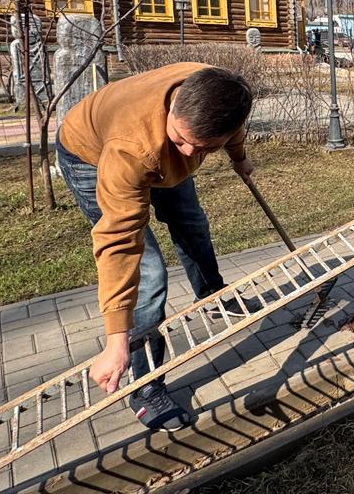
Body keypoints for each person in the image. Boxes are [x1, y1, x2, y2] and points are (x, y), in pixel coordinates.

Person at [55, 63, 254, 432]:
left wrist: (239, 157)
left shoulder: (218, 93)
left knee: (192, 225)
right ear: (173, 108)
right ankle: (144, 385)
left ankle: (213, 297)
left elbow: (229, 128)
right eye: (182, 141)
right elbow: (120, 242)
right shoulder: (132, 148)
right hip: (89, 153)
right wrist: (116, 341)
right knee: (149, 274)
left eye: (204, 148)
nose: (191, 152)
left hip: (156, 145)